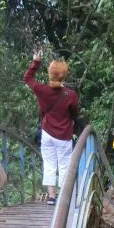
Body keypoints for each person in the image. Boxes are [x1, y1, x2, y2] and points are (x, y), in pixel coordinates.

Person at [23, 50, 79, 205]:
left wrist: (36, 61)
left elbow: (27, 78)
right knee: (64, 166)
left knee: (49, 164)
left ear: (50, 73)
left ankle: (52, 197)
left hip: (47, 133)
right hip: (64, 136)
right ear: (64, 75)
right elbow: (74, 114)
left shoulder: (42, 90)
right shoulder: (71, 95)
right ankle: (63, 197)